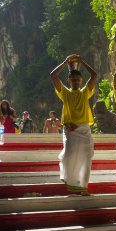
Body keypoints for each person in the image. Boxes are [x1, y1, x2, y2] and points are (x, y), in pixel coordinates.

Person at [50, 54, 97, 196]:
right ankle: (72, 184)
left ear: (81, 80)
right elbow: (53, 76)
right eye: (73, 80)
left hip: (84, 128)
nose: (76, 81)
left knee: (86, 157)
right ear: (69, 80)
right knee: (70, 156)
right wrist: (65, 62)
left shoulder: (85, 92)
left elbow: (94, 75)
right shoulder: (64, 92)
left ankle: (83, 187)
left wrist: (82, 62)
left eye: (78, 79)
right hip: (70, 129)